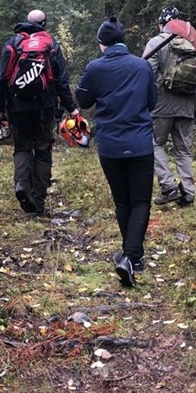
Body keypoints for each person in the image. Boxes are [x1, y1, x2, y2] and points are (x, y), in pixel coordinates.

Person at [76, 17, 157, 287]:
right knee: (140, 202)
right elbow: (152, 101)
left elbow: (83, 99)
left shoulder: (95, 68)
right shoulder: (142, 66)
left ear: (102, 44)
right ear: (123, 41)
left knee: (123, 202)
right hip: (140, 144)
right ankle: (132, 257)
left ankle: (130, 255)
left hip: (110, 146)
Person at [0, 9, 78, 216]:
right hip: (44, 105)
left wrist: (0, 107)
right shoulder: (51, 44)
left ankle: (22, 184)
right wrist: (71, 108)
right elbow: (61, 81)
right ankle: (38, 200)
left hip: (17, 105)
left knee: (22, 146)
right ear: (44, 23)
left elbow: (2, 79)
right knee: (42, 148)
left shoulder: (12, 43)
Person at [142, 6, 196, 208]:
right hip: (187, 105)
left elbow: (146, 74)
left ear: (162, 24)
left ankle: (169, 187)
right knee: (183, 150)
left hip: (161, 105)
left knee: (155, 144)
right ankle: (188, 193)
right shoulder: (193, 43)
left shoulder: (156, 43)